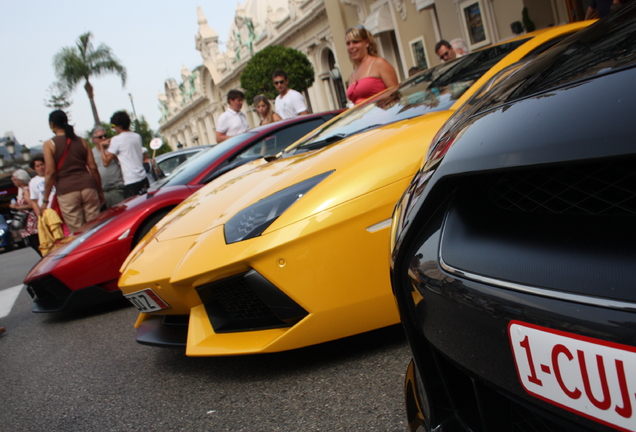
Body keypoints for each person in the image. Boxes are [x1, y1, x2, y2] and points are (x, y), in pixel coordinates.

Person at [43, 110, 103, 234]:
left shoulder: (49, 144)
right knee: (95, 228)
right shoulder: (81, 141)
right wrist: (99, 190)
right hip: (88, 187)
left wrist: (45, 199)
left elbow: (50, 172)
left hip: (66, 191)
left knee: (79, 232)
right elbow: (93, 168)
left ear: (51, 124)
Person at [344, 26, 399, 105]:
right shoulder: (352, 75)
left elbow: (395, 93)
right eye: (348, 43)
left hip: (382, 114)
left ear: (367, 43)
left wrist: (371, 103)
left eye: (355, 42)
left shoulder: (379, 63)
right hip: (362, 116)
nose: (351, 47)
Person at [100, 111, 148, 198]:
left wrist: (101, 147)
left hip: (131, 181)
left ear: (119, 126)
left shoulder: (116, 139)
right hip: (143, 178)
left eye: (113, 126)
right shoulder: (137, 136)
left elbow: (106, 163)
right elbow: (126, 156)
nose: (114, 129)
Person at [91, 126, 124, 209]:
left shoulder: (112, 149)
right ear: (94, 139)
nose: (103, 138)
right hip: (103, 191)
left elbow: (121, 161)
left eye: (105, 135)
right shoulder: (91, 153)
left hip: (117, 188)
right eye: (100, 137)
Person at [10, 169, 40, 255]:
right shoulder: (21, 191)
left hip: (30, 222)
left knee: (35, 242)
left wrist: (17, 207)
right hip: (27, 222)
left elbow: (32, 204)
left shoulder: (26, 190)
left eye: (15, 179)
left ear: (21, 180)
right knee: (33, 243)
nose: (14, 181)